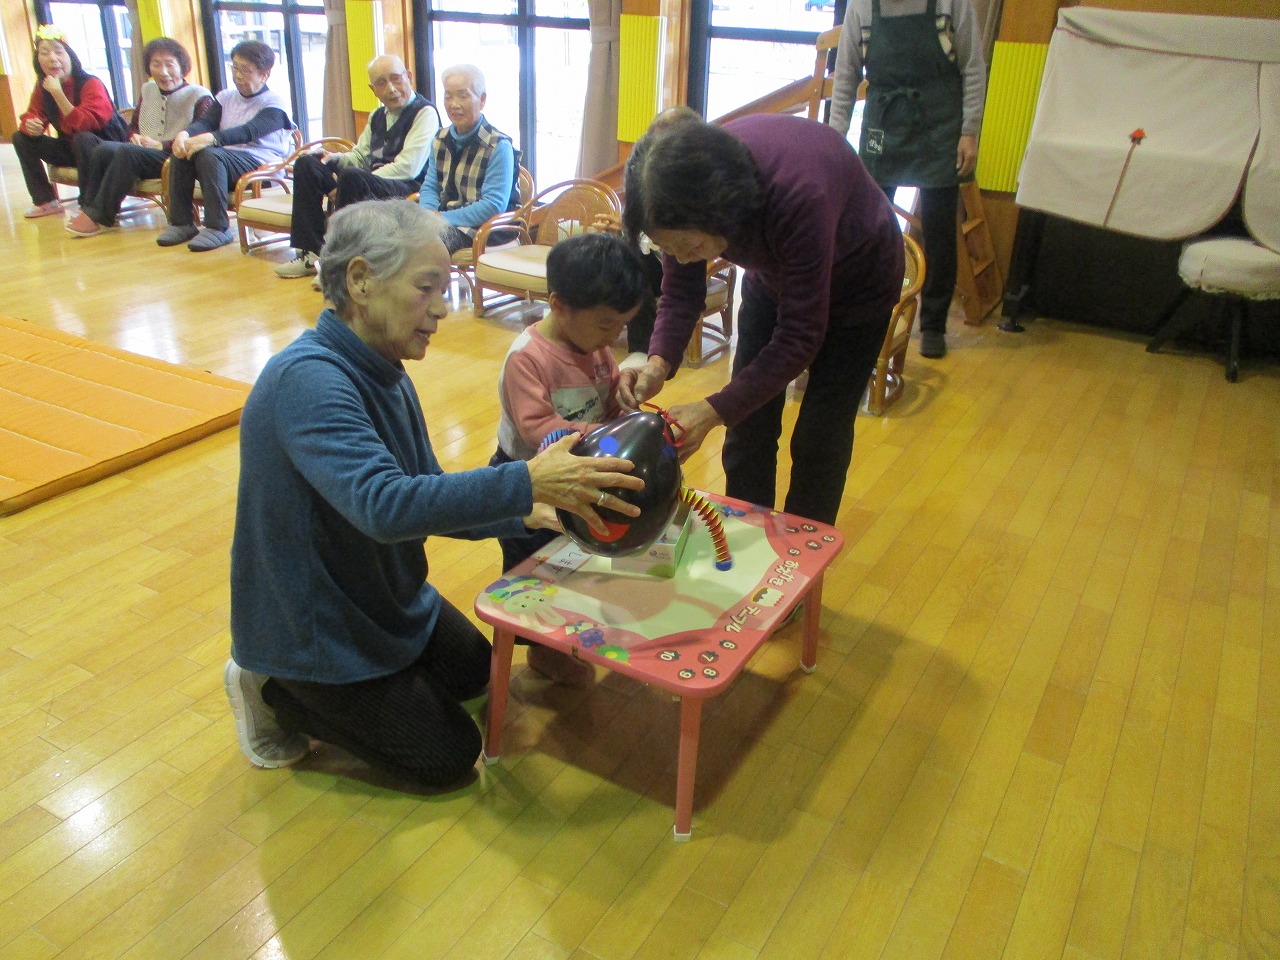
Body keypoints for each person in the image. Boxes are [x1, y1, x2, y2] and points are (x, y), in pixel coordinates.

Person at [225, 199, 643, 784]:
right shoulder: (309, 380)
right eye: (427, 288)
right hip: (314, 627)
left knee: (476, 674)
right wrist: (525, 480)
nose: (443, 308)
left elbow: (425, 492)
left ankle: (374, 686)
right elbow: (384, 506)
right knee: (448, 755)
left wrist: (527, 511)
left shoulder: (384, 370)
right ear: (361, 281)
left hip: (382, 599)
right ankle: (271, 685)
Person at [620, 109, 904, 528]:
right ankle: (745, 535)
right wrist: (656, 364)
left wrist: (712, 409)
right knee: (748, 423)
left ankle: (803, 548)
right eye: (668, 248)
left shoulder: (798, 193)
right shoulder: (675, 196)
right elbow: (680, 293)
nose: (681, 258)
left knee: (820, 433)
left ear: (720, 212)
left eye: (688, 246)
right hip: (773, 276)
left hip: (860, 285)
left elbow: (799, 336)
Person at [488, 232, 652, 683]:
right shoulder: (527, 357)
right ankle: (540, 651)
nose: (613, 336)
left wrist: (626, 410)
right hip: (528, 482)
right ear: (559, 305)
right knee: (532, 572)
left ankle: (570, 634)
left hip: (577, 473)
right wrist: (605, 433)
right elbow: (538, 428)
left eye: (622, 325)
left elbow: (610, 402)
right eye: (605, 325)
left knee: (573, 560)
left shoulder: (595, 347)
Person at [829, 0, 987, 359]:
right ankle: (869, 313)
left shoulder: (951, 3)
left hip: (940, 122)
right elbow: (846, 74)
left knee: (940, 228)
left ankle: (933, 324)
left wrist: (970, 131)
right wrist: (834, 136)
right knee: (871, 226)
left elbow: (973, 68)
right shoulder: (861, 6)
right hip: (883, 122)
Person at [275, 54, 440, 279]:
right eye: (381, 83)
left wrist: (357, 179)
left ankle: (340, 266)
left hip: (407, 186)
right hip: (368, 180)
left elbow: (408, 167)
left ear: (408, 77)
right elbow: (361, 156)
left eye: (396, 79)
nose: (391, 89)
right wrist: (333, 158)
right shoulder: (377, 116)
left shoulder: (425, 113)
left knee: (352, 178)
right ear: (373, 90)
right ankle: (312, 253)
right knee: (308, 164)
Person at [64, 38, 213, 238]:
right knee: (103, 149)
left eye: (170, 64)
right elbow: (134, 125)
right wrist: (133, 136)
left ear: (182, 66)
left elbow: (200, 134)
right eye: (156, 64)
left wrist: (161, 144)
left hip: (175, 157)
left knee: (128, 153)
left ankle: (99, 216)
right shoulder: (148, 89)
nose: (163, 72)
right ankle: (88, 207)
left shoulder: (199, 95)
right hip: (143, 151)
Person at [158, 39, 293, 252]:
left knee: (209, 154)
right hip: (223, 163)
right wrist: (184, 135)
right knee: (184, 151)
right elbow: (205, 123)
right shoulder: (226, 97)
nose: (238, 75)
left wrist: (209, 139)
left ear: (264, 75)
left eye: (245, 70)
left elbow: (248, 131)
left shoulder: (275, 104)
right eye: (235, 67)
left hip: (261, 168)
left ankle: (218, 227)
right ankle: (181, 223)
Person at [11, 24, 128, 220]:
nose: (52, 58)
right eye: (44, 53)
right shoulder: (44, 86)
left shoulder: (91, 83)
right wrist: (31, 125)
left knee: (82, 138)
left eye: (58, 52)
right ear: (38, 60)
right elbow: (33, 113)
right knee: (20, 138)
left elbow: (85, 124)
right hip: (74, 149)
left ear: (70, 57)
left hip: (106, 149)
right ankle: (46, 201)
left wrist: (58, 94)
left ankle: (90, 206)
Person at [416, 64, 520, 254]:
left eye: (463, 96)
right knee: (402, 237)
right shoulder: (440, 139)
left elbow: (493, 205)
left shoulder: (498, 145)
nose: (454, 104)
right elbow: (431, 186)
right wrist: (427, 215)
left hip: (488, 227)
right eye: (448, 96)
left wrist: (440, 218)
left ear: (482, 100)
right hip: (444, 220)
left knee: (427, 246)